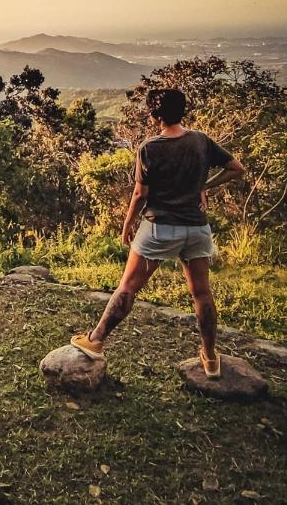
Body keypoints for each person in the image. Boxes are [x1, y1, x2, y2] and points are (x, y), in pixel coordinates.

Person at [70, 88, 245, 377]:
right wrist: (205, 186)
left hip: (158, 228)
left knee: (128, 286)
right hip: (196, 228)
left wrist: (127, 224)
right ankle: (211, 357)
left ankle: (96, 340)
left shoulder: (150, 147)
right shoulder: (200, 140)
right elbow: (237, 168)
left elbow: (140, 193)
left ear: (155, 115)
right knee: (202, 293)